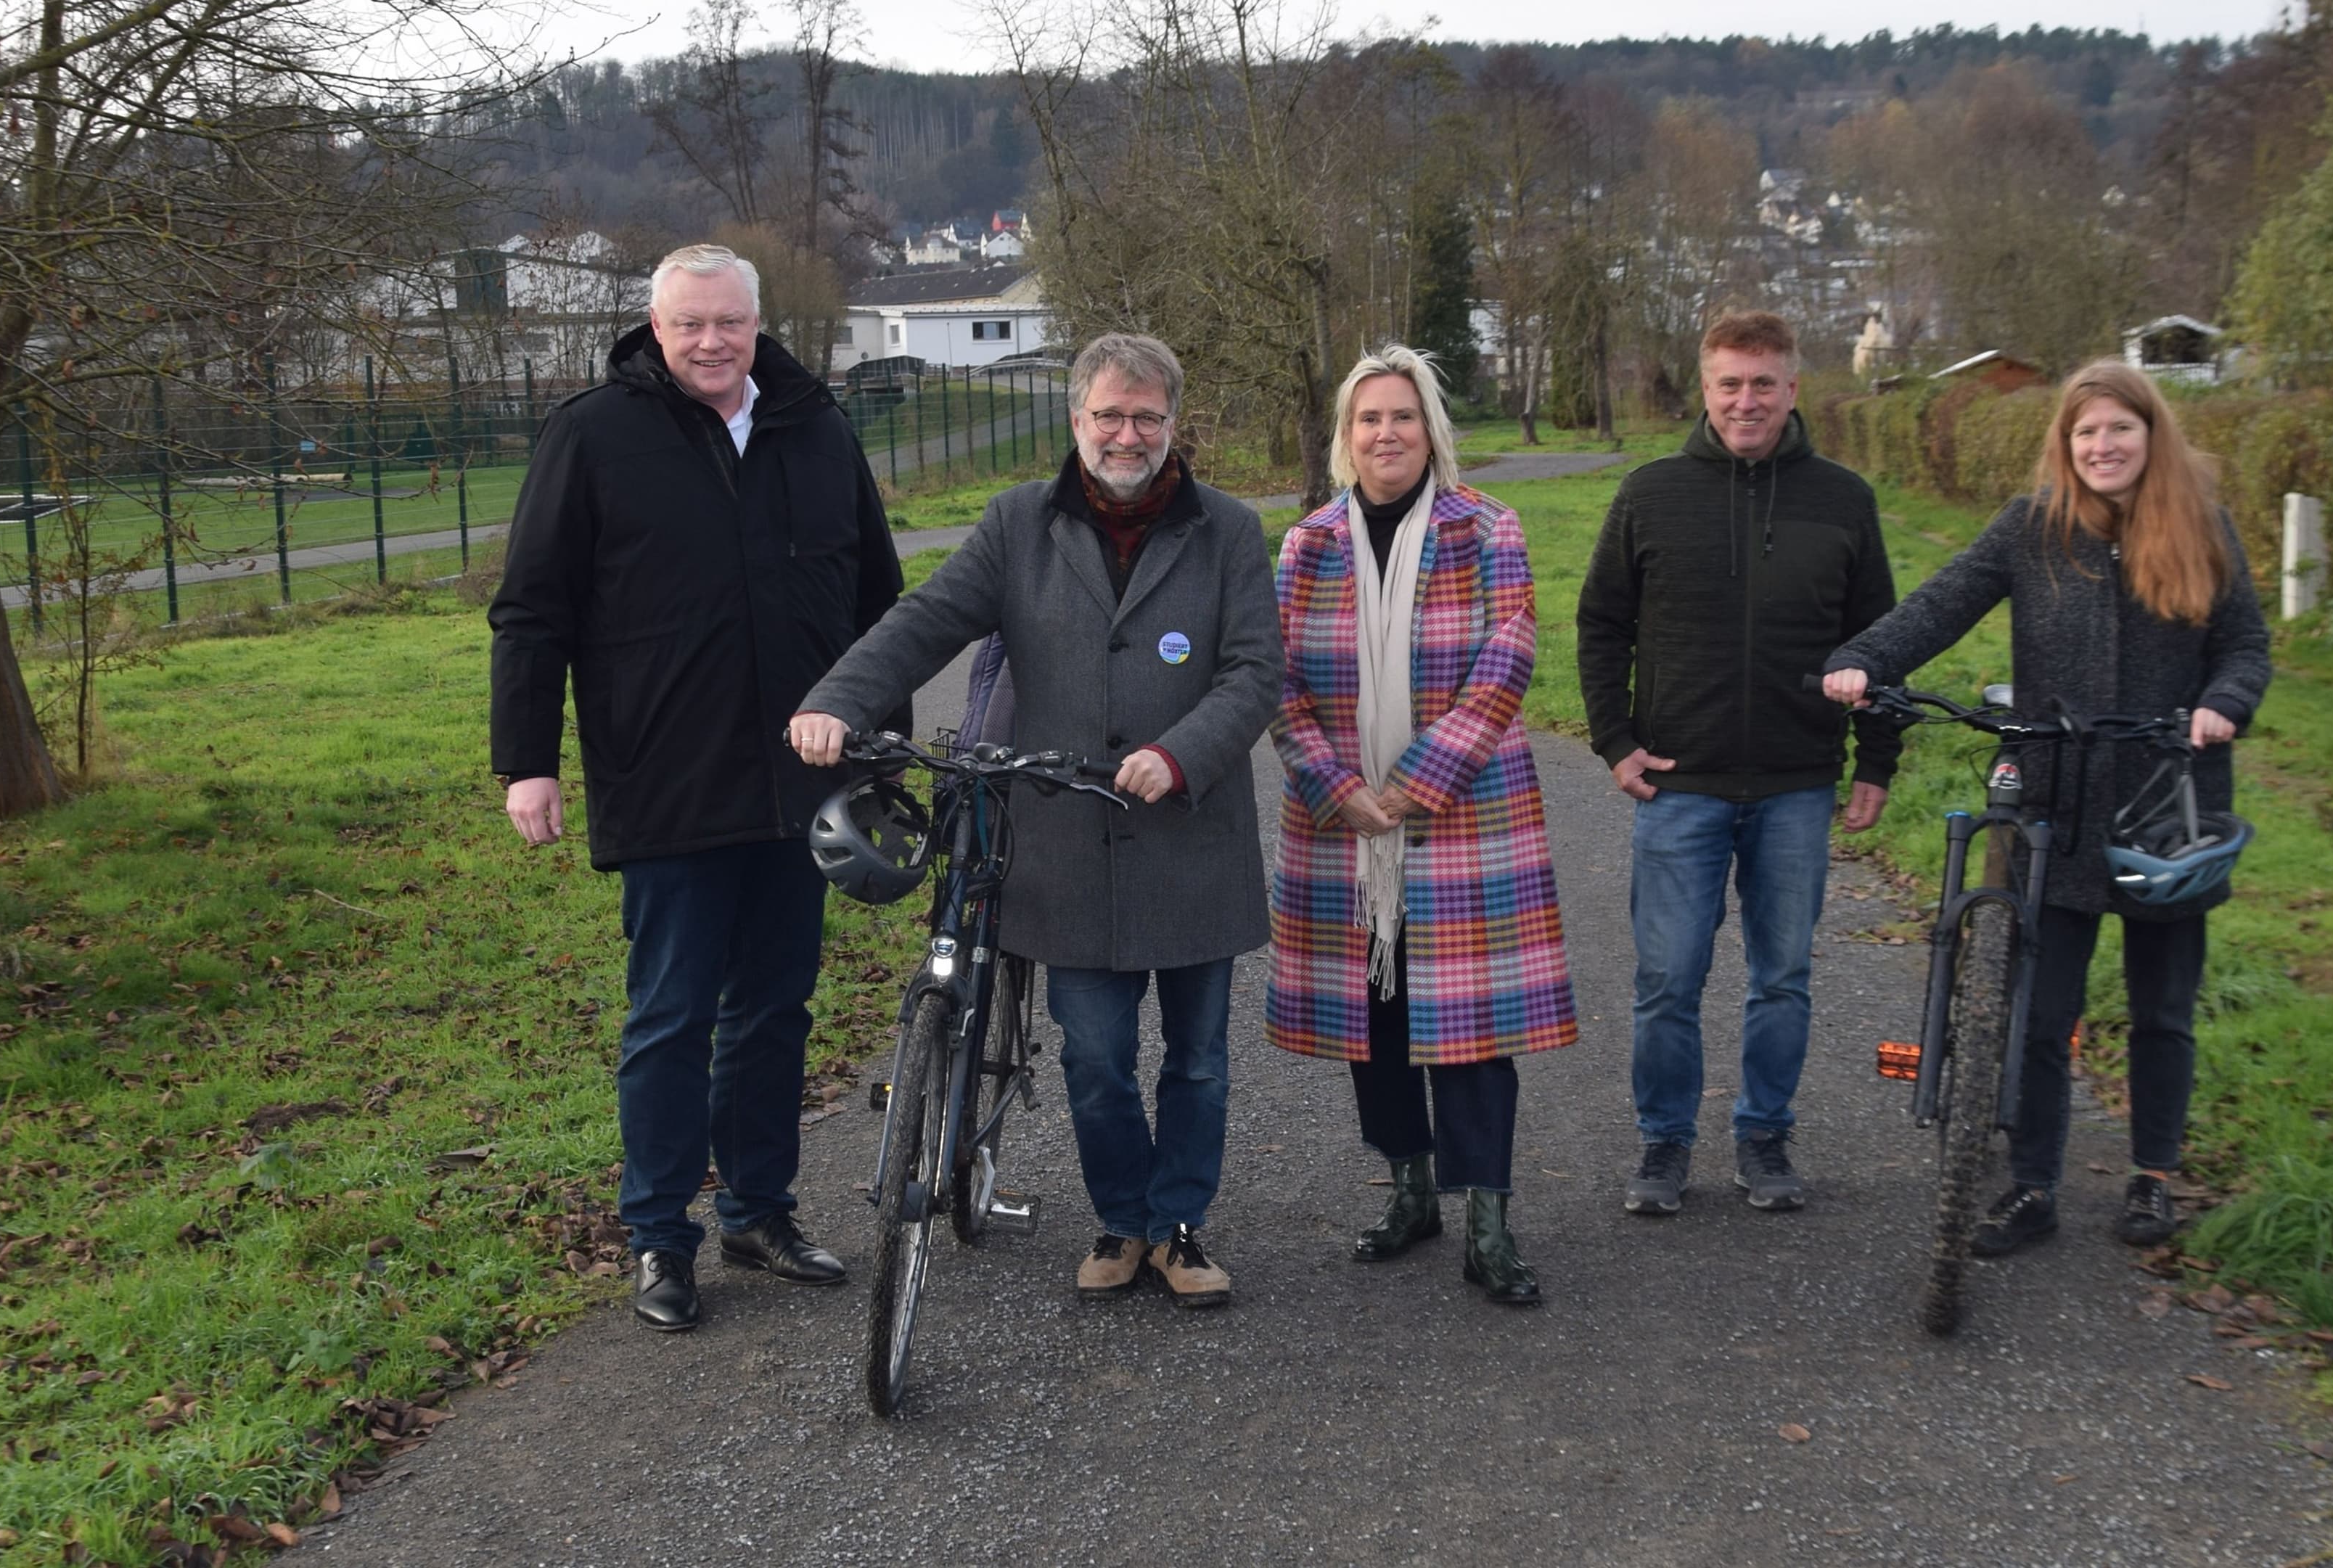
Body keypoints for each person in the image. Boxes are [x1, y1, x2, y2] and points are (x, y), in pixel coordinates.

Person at [789, 332, 1279, 1308]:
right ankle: (1124, 1219)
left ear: (1173, 425)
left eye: (1146, 416)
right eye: (1109, 414)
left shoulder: (1227, 529)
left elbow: (1257, 671)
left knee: (1200, 1057)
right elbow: (926, 620)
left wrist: (1180, 753)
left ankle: (1179, 1224)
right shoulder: (1019, 523)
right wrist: (837, 700)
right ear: (1076, 420)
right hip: (1064, 841)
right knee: (1096, 1057)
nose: (1126, 433)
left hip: (1191, 837)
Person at [490, 243, 903, 1332]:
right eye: (688, 326)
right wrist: (527, 760)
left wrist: (885, 746)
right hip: (666, 780)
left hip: (801, 780)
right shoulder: (593, 436)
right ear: (654, 328)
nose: (710, 343)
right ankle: (660, 1238)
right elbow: (532, 611)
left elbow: (877, 597)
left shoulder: (815, 428)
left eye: (728, 322)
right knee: (670, 1017)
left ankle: (760, 1212)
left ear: (758, 321)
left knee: (775, 1009)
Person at [1823, 358, 2271, 1253]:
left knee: (2162, 1007)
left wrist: (2224, 703)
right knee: (2037, 1006)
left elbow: (2246, 646)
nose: (2103, 446)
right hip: (2056, 798)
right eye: (2086, 431)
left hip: (2166, 803)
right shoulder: (2033, 528)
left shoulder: (2202, 528)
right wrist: (1867, 659)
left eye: (2120, 429)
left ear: (2151, 435)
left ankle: (2152, 1176)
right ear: (2065, 444)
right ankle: (2032, 1184)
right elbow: (1943, 601)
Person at [1267, 346, 1576, 1306]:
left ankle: (1489, 1217)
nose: (1386, 434)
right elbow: (1275, 683)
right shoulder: (1307, 544)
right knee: (1379, 1022)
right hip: (1341, 825)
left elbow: (1506, 661)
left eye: (1403, 417)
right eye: (1369, 420)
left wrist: (1407, 790)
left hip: (1462, 818)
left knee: (1474, 1033)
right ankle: (1411, 1189)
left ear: (1431, 429)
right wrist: (1336, 789)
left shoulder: (1487, 527)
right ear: (1344, 437)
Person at [1575, 310, 1901, 1216]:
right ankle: (1664, 1142)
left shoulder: (1844, 498)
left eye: (1764, 382)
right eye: (1730, 383)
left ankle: (1764, 1134)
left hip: (1798, 782)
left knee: (1783, 975)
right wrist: (1614, 739)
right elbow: (1601, 623)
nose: (1747, 400)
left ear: (1795, 387)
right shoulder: (1651, 492)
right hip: (1681, 782)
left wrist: (1876, 757)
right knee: (1668, 977)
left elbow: (1881, 640)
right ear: (1706, 387)